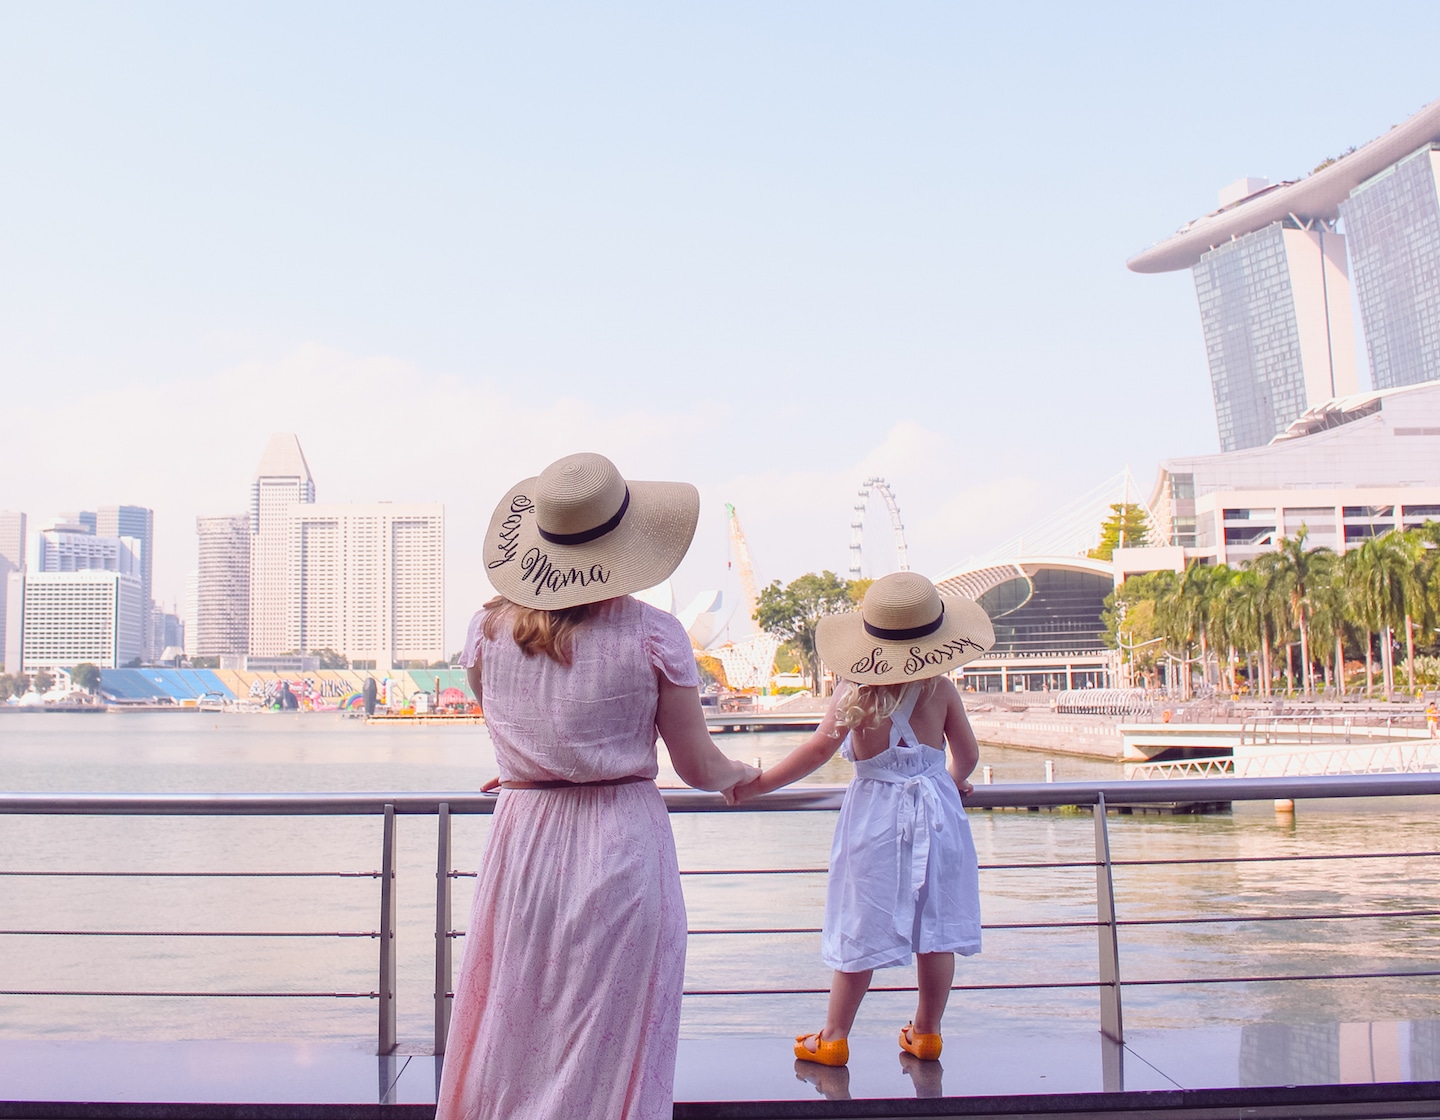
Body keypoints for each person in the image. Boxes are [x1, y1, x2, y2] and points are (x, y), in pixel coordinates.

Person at [435, 452, 757, 1120]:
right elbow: (700, 768)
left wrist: (535, 769)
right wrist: (742, 773)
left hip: (524, 844)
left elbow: (504, 720)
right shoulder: (654, 634)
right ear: (626, 546)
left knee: (517, 1027)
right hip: (619, 845)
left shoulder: (487, 630)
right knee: (612, 1038)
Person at [728, 571, 994, 1067]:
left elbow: (815, 751)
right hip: (936, 813)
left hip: (874, 816)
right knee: (934, 930)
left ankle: (833, 1036)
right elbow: (969, 754)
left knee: (860, 919)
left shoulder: (856, 690)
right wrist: (951, 781)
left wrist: (758, 784)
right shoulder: (941, 691)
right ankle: (927, 1032)